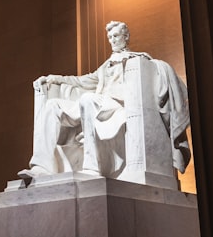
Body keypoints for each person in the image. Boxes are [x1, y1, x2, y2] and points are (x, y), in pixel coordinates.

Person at [17, 21, 190, 184]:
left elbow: (151, 78)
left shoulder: (138, 60)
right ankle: (42, 166)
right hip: (98, 103)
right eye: (110, 38)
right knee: (52, 105)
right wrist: (54, 78)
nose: (113, 40)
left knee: (88, 99)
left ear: (126, 37)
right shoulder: (105, 66)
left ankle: (92, 167)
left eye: (116, 36)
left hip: (118, 106)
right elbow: (81, 81)